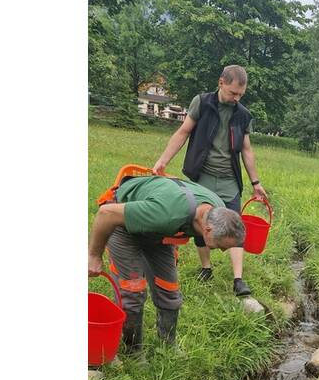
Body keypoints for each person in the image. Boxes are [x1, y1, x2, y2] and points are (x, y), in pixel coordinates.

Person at [88, 173, 246, 350]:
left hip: (158, 230)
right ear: (207, 230)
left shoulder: (219, 210)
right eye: (221, 246)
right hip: (121, 223)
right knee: (133, 292)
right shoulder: (167, 214)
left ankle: (167, 346)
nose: (224, 251)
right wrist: (94, 256)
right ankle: (132, 351)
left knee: (169, 290)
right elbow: (106, 214)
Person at [151, 64, 268, 298]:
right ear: (221, 82)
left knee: (234, 224)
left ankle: (238, 279)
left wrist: (256, 183)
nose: (236, 98)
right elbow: (183, 132)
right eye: (233, 93)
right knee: (200, 222)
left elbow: (246, 149)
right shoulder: (202, 103)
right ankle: (206, 268)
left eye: (240, 95)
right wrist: (162, 161)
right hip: (201, 175)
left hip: (228, 179)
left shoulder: (243, 115)